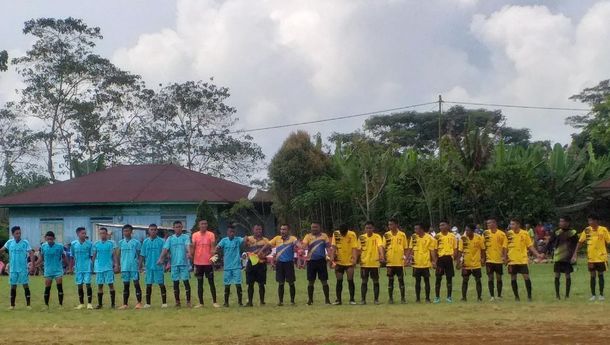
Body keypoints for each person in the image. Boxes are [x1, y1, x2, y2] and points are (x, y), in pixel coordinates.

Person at [571, 214, 610, 301]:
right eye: (589, 221)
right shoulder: (587, 230)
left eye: (591, 220)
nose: (589, 222)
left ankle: (601, 294)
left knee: (600, 274)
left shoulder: (603, 230)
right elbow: (580, 242)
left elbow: (608, 241)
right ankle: (593, 295)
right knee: (592, 275)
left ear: (596, 221)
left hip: (601, 257)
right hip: (591, 258)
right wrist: (575, 253)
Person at [507, 219, 544, 301]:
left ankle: (529, 296)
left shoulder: (524, 233)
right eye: (510, 224)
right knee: (513, 278)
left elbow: (530, 246)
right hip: (511, 260)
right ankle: (516, 297)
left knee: (526, 277)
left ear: (518, 225)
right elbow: (505, 247)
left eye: (513, 224)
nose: (511, 226)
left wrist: (537, 254)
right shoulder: (508, 234)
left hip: (522, 260)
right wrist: (504, 257)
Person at [158, 220, 192, 307]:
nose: (178, 228)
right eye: (176, 227)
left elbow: (187, 245)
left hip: (184, 264)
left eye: (179, 227)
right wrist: (161, 258)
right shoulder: (170, 239)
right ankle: (177, 301)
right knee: (175, 283)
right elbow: (165, 249)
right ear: (173, 228)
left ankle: (188, 301)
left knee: (186, 282)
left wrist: (189, 252)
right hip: (174, 264)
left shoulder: (185, 237)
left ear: (182, 228)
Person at [1, 226, 34, 310]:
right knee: (13, 286)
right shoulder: (9, 242)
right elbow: (2, 250)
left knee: (25, 285)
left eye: (19, 233)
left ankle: (28, 305)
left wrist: (32, 265)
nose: (19, 235)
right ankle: (12, 305)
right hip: (13, 269)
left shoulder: (25, 242)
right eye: (17, 233)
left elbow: (31, 253)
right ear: (13, 234)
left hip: (23, 268)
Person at [301, 221, 331, 305]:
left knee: (324, 281)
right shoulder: (307, 236)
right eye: (312, 227)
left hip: (321, 261)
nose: (314, 229)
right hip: (311, 261)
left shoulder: (324, 236)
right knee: (311, 281)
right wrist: (302, 249)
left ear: (319, 228)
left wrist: (330, 257)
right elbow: (303, 246)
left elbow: (328, 247)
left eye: (315, 227)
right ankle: (310, 300)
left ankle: (327, 300)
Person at [267, 224, 298, 306]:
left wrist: (299, 246)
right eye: (281, 229)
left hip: (289, 263)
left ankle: (292, 301)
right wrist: (262, 251)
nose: (282, 231)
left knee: (291, 283)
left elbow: (297, 244)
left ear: (288, 230)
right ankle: (280, 301)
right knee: (281, 283)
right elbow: (268, 244)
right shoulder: (277, 238)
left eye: (284, 229)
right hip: (280, 264)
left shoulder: (292, 238)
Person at [191, 219, 218, 308]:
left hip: (208, 263)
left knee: (211, 282)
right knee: (200, 283)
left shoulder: (211, 235)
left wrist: (213, 259)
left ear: (207, 225)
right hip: (198, 263)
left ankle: (215, 302)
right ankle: (201, 303)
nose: (203, 225)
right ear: (199, 225)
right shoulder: (195, 235)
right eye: (202, 224)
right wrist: (191, 258)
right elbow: (193, 248)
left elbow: (213, 248)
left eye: (205, 224)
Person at [549, 216, 578, 300]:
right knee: (557, 275)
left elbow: (577, 245)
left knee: (567, 275)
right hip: (558, 257)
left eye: (562, 221)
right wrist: (544, 251)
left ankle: (567, 295)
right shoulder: (557, 231)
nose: (560, 223)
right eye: (560, 221)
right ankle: (557, 295)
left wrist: (575, 255)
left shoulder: (573, 232)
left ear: (567, 223)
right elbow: (550, 242)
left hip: (568, 258)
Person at [216, 224, 245, 307]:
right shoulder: (224, 240)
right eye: (230, 232)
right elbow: (218, 247)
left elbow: (245, 240)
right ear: (227, 232)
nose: (232, 233)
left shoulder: (238, 239)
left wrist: (246, 239)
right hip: (227, 267)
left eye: (233, 232)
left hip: (236, 266)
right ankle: (226, 302)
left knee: (238, 284)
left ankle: (240, 302)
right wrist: (217, 251)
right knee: (227, 284)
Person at [330, 223, 358, 305]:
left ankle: (352, 299)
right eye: (341, 233)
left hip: (349, 261)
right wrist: (332, 257)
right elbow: (334, 247)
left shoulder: (352, 234)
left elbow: (354, 248)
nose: (343, 234)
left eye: (344, 233)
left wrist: (355, 259)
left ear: (347, 231)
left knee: (350, 280)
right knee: (339, 281)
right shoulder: (336, 234)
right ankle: (338, 300)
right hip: (339, 262)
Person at [140, 224, 167, 308]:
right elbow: (142, 254)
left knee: (161, 284)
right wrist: (140, 265)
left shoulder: (161, 241)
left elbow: (165, 252)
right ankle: (148, 303)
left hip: (158, 267)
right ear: (148, 231)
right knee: (148, 284)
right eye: (151, 229)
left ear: (157, 231)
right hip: (148, 266)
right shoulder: (145, 242)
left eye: (155, 229)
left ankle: (164, 303)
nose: (153, 231)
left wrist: (163, 261)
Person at [408, 223, 436, 303]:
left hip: (425, 263)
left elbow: (432, 251)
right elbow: (411, 248)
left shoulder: (430, 238)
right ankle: (417, 299)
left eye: (417, 229)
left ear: (421, 229)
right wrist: (407, 258)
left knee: (427, 281)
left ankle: (427, 298)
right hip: (416, 263)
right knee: (417, 281)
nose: (415, 230)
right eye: (415, 229)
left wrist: (434, 261)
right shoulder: (413, 237)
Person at [38, 231, 67, 308]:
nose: (50, 241)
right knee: (47, 288)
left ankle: (60, 305)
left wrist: (68, 266)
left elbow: (64, 256)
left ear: (54, 238)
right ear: (45, 239)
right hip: (48, 270)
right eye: (48, 239)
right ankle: (46, 305)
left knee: (59, 287)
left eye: (51, 239)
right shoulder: (43, 247)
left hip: (58, 270)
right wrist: (35, 265)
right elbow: (41, 258)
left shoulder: (60, 246)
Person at [358, 221, 385, 305]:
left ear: (373, 228)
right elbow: (358, 250)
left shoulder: (377, 237)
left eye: (370, 228)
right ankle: (363, 300)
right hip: (364, 263)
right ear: (364, 229)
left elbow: (380, 246)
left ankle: (376, 300)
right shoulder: (361, 237)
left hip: (374, 263)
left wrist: (381, 255)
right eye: (367, 228)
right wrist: (357, 259)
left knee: (375, 281)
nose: (368, 229)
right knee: (364, 281)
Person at [244, 224, 270, 307]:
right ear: (253, 230)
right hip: (251, 263)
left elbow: (269, 250)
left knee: (261, 284)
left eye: (260, 229)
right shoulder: (249, 239)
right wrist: (245, 241)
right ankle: (250, 302)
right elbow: (245, 247)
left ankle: (262, 301)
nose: (258, 231)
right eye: (257, 229)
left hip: (261, 264)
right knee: (250, 284)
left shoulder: (265, 240)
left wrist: (264, 255)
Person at [457, 224, 486, 302]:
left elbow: (483, 249)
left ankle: (479, 297)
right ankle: (464, 297)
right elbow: (460, 251)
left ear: (473, 231)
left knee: (478, 280)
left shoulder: (479, 238)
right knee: (465, 280)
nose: (466, 232)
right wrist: (458, 262)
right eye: (465, 230)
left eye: (468, 230)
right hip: (466, 263)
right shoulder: (463, 238)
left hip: (476, 263)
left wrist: (483, 259)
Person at [117, 224, 142, 309]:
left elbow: (139, 255)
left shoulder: (136, 242)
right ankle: (125, 304)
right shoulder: (121, 242)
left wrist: (140, 265)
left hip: (133, 267)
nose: (126, 232)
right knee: (126, 285)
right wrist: (118, 265)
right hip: (124, 267)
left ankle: (139, 303)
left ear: (131, 232)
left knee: (136, 284)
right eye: (124, 231)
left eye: (127, 231)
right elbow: (118, 254)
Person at [383, 218, 408, 304]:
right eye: (389, 225)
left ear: (396, 225)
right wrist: (383, 257)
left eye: (391, 224)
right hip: (390, 262)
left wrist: (406, 259)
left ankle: (403, 298)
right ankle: (390, 298)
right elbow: (383, 247)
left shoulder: (402, 235)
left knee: (401, 280)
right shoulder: (386, 235)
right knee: (390, 280)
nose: (390, 226)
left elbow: (406, 248)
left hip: (399, 262)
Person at [92, 227, 118, 309]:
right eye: (101, 233)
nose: (102, 235)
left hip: (108, 267)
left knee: (111, 284)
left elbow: (114, 255)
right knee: (100, 286)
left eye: (104, 233)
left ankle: (113, 304)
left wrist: (116, 264)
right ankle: (100, 304)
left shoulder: (111, 243)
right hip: (99, 268)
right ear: (99, 234)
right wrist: (92, 266)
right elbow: (94, 255)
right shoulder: (96, 244)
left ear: (107, 234)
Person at [483, 218, 507, 301]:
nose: (488, 225)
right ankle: (492, 296)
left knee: (499, 277)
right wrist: (483, 257)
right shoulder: (485, 233)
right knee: (490, 277)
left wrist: (504, 257)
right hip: (489, 260)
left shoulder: (502, 234)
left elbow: (504, 247)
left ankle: (499, 295)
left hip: (498, 259)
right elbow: (483, 246)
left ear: (494, 223)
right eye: (487, 224)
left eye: (489, 223)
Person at [434, 220, 458, 303]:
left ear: (448, 226)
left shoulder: (452, 236)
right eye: (440, 225)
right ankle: (437, 297)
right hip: (440, 259)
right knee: (438, 278)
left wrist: (454, 257)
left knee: (449, 278)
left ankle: (449, 297)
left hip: (449, 259)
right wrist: (435, 261)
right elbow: (435, 249)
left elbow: (455, 248)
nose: (441, 227)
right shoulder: (437, 236)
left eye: (443, 225)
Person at [70, 227, 94, 310]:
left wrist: (92, 266)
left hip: (87, 267)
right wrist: (70, 267)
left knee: (88, 284)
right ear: (78, 234)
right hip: (78, 268)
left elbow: (92, 256)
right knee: (79, 285)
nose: (84, 235)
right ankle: (81, 303)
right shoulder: (73, 244)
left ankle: (89, 303)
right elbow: (72, 257)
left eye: (85, 233)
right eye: (82, 233)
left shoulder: (89, 244)